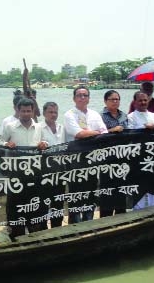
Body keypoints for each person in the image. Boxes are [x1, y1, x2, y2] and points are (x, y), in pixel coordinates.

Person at [1, 98, 49, 240]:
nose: (26, 113)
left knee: (34, 200)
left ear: (33, 111)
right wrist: (6, 144)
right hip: (16, 172)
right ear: (18, 110)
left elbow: (46, 141)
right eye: (23, 111)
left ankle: (34, 229)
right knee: (15, 201)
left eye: (29, 111)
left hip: (34, 171)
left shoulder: (40, 127)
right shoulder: (10, 126)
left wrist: (43, 144)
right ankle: (15, 232)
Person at [64, 86, 107, 223]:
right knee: (76, 193)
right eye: (79, 95)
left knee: (91, 190)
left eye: (85, 95)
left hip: (92, 159)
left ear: (89, 98)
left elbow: (105, 132)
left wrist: (90, 133)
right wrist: (95, 133)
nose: (82, 98)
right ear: (74, 98)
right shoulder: (69, 114)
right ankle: (75, 224)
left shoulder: (95, 114)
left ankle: (88, 221)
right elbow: (79, 134)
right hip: (76, 160)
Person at [127, 91, 154, 210]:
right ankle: (138, 209)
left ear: (148, 101)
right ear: (135, 102)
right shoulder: (130, 117)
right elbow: (130, 136)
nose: (143, 102)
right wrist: (145, 129)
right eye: (140, 100)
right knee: (139, 183)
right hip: (138, 156)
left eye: (145, 100)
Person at [99, 90, 128, 217]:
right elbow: (97, 136)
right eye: (112, 99)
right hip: (107, 159)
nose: (115, 101)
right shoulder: (99, 116)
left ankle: (121, 217)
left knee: (121, 190)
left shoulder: (124, 116)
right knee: (107, 190)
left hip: (122, 158)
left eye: (117, 99)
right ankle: (105, 219)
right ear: (105, 101)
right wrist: (112, 130)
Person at [41, 101, 65, 228]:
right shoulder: (39, 128)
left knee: (58, 201)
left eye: (55, 112)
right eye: (50, 112)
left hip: (60, 171)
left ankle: (57, 227)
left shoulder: (62, 127)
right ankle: (43, 228)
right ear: (44, 113)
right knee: (44, 201)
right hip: (44, 172)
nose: (53, 114)